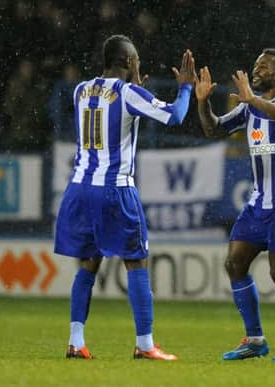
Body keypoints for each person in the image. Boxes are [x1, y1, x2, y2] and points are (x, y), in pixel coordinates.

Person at [54, 34, 196, 360]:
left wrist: (137, 92)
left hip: (79, 187)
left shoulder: (80, 90)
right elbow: (175, 116)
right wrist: (185, 87)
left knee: (88, 263)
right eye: (137, 61)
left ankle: (76, 341)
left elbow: (108, 117)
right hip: (114, 187)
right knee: (136, 260)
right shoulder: (128, 92)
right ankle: (145, 344)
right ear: (130, 62)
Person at [195, 49, 275, 363]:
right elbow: (212, 128)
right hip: (259, 201)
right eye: (256, 65)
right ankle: (256, 339)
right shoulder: (248, 109)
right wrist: (203, 102)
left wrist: (252, 100)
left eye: (264, 66)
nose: (256, 70)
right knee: (234, 263)